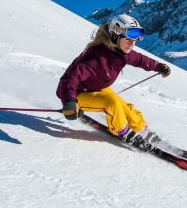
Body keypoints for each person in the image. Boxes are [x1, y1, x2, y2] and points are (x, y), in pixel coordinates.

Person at [56, 14, 171, 149]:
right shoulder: (94, 57)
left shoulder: (121, 52)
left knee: (124, 107)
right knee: (113, 104)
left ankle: (143, 130)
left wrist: (159, 66)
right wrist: (69, 102)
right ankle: (123, 132)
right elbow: (69, 79)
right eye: (128, 38)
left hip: (96, 88)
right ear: (116, 34)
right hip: (77, 95)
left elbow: (141, 60)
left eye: (135, 39)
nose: (132, 43)